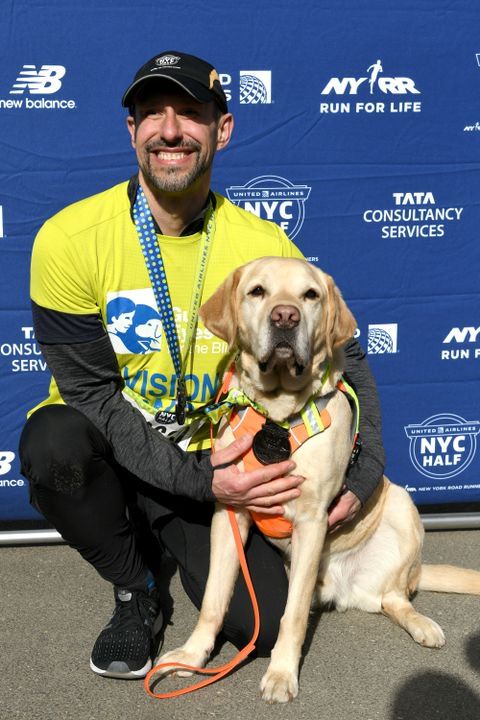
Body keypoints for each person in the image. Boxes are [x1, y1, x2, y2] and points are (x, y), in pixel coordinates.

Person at [19, 50, 385, 680]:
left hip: (211, 461)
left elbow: (345, 357)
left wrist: (367, 466)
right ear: (130, 130)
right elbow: (89, 393)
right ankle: (136, 588)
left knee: (263, 628)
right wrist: (201, 482)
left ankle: (167, 542)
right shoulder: (69, 238)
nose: (170, 130)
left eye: (190, 113)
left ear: (223, 130)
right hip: (119, 446)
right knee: (54, 441)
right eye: (151, 114)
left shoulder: (264, 249)